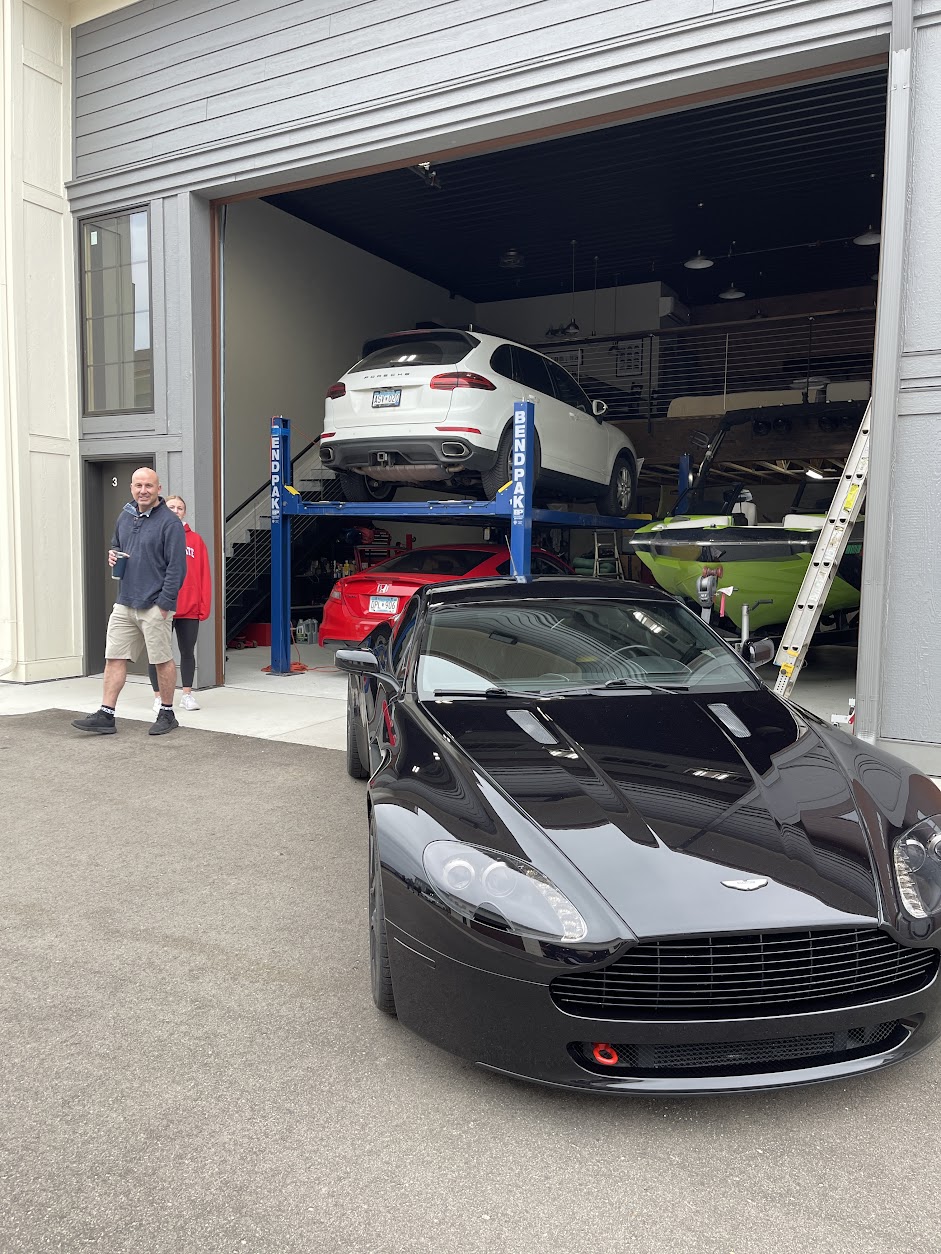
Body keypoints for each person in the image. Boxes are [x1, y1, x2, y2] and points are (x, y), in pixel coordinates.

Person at [72, 467, 186, 737]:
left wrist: (164, 604)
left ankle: (167, 713)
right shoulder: (125, 516)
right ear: (131, 488)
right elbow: (116, 545)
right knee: (114, 657)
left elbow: (177, 568)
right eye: (138, 485)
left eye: (148, 485)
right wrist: (113, 555)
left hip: (155, 604)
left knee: (161, 660)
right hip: (125, 602)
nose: (142, 491)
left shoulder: (170, 523)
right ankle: (106, 715)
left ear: (158, 489)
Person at [148, 495, 211, 712]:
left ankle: (187, 695)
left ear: (185, 512)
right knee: (158, 653)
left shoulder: (195, 540)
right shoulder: (155, 536)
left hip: (189, 608)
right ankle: (158, 697)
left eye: (180, 507)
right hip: (161, 606)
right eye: (171, 507)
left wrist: (204, 606)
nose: (176, 510)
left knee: (187, 652)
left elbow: (204, 575)